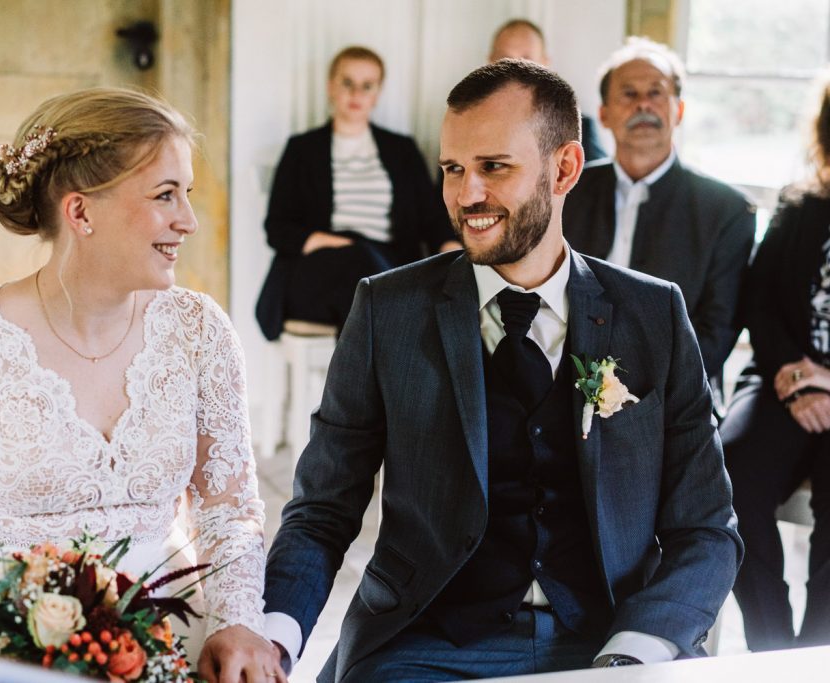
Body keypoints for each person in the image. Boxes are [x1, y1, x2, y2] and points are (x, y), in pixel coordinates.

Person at [229, 60, 742, 681]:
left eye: (494, 167)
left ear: (565, 169)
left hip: (609, 643)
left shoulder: (653, 314)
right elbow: (322, 509)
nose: (466, 194)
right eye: (452, 169)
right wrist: (275, 637)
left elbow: (706, 529)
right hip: (421, 646)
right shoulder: (386, 310)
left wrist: (634, 652)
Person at [0, 87, 285, 683]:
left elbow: (229, 514)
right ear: (81, 213)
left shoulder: (201, 331)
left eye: (187, 194)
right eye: (165, 195)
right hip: (7, 643)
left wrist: (237, 621)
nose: (188, 220)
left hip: (175, 628)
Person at [562, 37, 755, 411]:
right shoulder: (566, 190)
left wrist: (638, 392)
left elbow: (718, 329)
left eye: (656, 93)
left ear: (678, 109)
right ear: (603, 114)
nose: (643, 105)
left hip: (676, 395)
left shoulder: (727, 210)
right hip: (563, 384)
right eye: (629, 94)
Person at [721, 79, 830, 651]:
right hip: (781, 381)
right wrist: (792, 376)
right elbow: (758, 299)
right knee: (729, 476)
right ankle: (771, 651)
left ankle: (817, 656)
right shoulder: (799, 205)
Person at [255, 45, 458, 341]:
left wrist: (451, 250)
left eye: (367, 86)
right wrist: (337, 244)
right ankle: (393, 363)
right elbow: (278, 228)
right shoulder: (302, 149)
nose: (356, 93)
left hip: (388, 265)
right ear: (330, 86)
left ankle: (357, 379)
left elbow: (431, 216)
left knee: (378, 280)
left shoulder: (401, 150)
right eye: (347, 83)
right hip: (321, 271)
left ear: (377, 93)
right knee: (370, 273)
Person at [488, 18, 606, 162]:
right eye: (504, 59)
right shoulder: (469, 123)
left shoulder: (579, 128)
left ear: (545, 65)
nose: (514, 69)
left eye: (526, 60)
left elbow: (598, 180)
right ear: (490, 63)